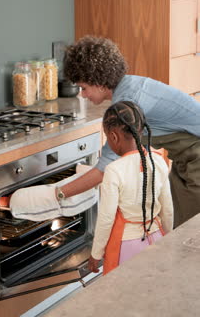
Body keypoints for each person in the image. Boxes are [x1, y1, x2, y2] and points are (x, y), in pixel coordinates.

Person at [56, 35, 200, 228]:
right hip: (187, 159)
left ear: (97, 81)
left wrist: (57, 194)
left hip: (196, 159)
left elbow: (104, 169)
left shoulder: (127, 104)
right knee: (176, 226)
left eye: (84, 88)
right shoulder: (130, 86)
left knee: (188, 234)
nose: (83, 95)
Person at [88, 101, 173, 275]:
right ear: (140, 130)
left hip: (126, 246)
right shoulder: (158, 161)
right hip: (156, 238)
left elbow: (106, 218)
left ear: (113, 136)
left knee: (124, 298)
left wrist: (96, 253)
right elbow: (168, 210)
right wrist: (168, 238)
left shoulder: (114, 170)